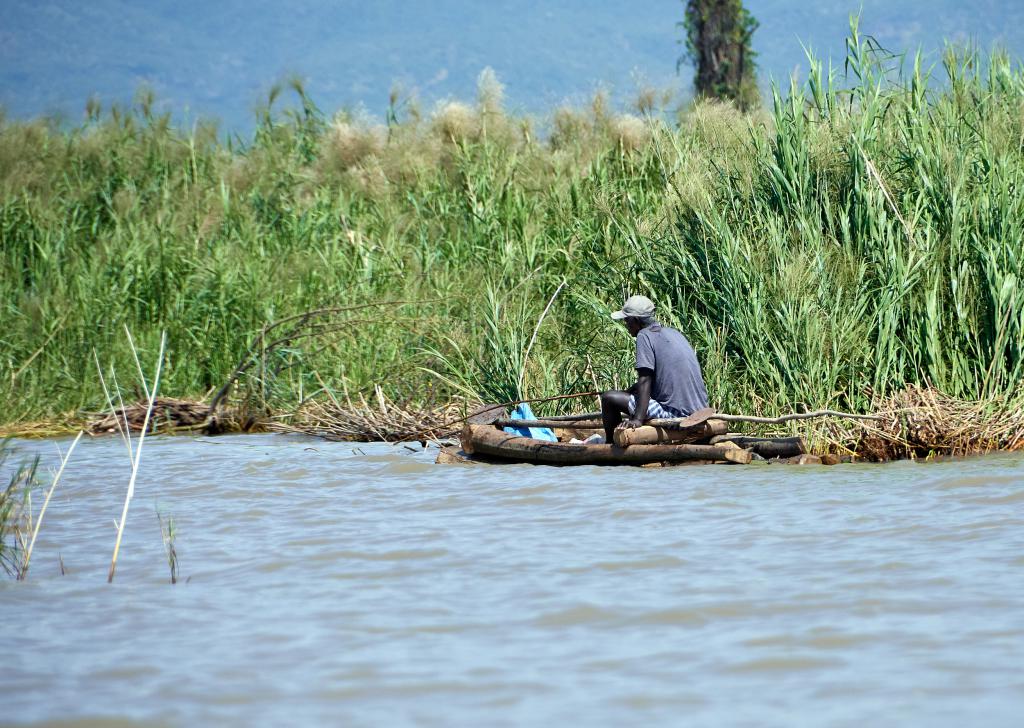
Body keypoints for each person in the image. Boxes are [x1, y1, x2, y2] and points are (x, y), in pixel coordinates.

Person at [600, 294, 709, 443]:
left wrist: (638, 420)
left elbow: (645, 380)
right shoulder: (674, 333)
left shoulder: (644, 336)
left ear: (636, 321)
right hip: (700, 412)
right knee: (620, 396)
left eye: (627, 320)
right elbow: (657, 378)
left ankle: (611, 447)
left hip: (678, 416)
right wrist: (629, 391)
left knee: (608, 398)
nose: (626, 324)